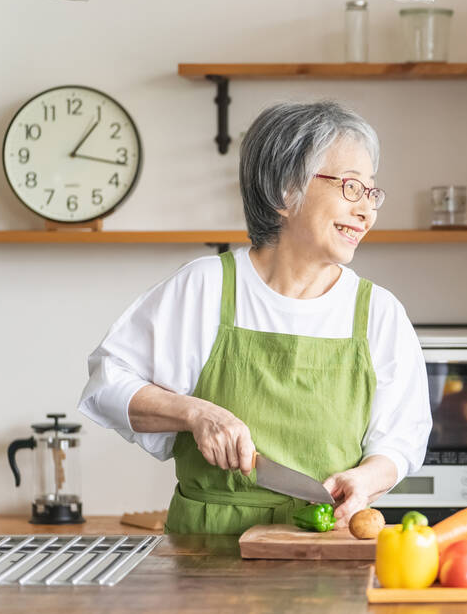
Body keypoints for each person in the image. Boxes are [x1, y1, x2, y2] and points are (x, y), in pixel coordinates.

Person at [79, 101, 431, 534]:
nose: (367, 210)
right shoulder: (206, 287)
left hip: (328, 550)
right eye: (351, 187)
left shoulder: (379, 313)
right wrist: (195, 413)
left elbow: (401, 439)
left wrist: (365, 480)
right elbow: (106, 384)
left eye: (372, 192)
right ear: (286, 192)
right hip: (206, 554)